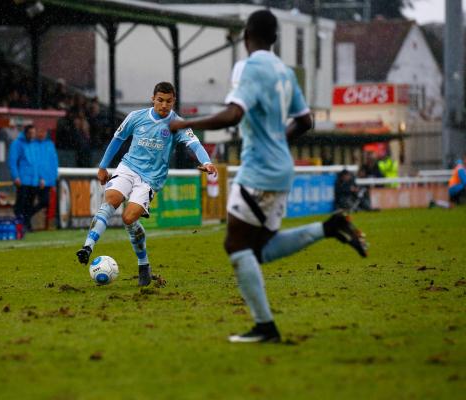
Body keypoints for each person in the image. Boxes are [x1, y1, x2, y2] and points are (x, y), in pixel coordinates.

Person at [169, 10, 368, 343]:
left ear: (247, 35)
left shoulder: (251, 67)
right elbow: (305, 121)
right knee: (259, 249)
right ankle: (328, 227)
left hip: (258, 169)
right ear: (275, 38)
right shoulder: (284, 71)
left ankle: (265, 327)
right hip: (281, 167)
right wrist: (278, 140)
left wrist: (184, 124)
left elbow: (234, 114)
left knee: (235, 244)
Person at [76, 81, 217, 286]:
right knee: (111, 200)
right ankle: (88, 246)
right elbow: (117, 139)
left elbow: (194, 143)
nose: (164, 105)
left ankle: (143, 263)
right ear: (153, 99)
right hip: (128, 167)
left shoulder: (177, 124)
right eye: (160, 100)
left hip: (151, 178)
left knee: (128, 218)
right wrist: (103, 166)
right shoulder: (136, 117)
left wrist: (207, 162)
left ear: (173, 101)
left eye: (168, 101)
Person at [9, 124, 40, 231]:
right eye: (31, 133)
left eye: (34, 133)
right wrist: (16, 176)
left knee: (30, 204)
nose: (32, 135)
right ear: (26, 133)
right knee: (21, 203)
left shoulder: (34, 144)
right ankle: (19, 224)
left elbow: (37, 163)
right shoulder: (17, 144)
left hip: (33, 180)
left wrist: (40, 177)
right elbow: (13, 161)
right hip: (23, 179)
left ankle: (26, 223)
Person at [32, 128, 58, 225]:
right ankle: (26, 219)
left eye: (43, 131)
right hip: (36, 180)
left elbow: (54, 163)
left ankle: (27, 216)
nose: (42, 133)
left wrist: (53, 179)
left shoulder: (49, 144)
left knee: (45, 201)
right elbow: (34, 164)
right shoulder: (33, 144)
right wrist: (39, 178)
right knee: (31, 201)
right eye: (40, 131)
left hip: (47, 180)